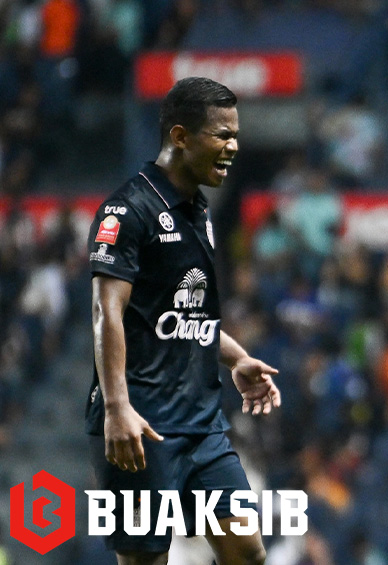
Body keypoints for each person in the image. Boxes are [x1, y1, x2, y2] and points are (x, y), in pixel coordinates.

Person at [86, 77, 281, 565]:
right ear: (180, 136)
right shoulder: (128, 210)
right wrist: (116, 407)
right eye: (222, 135)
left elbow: (185, 317)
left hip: (200, 424)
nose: (234, 147)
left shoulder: (198, 210)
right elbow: (106, 311)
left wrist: (237, 358)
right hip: (141, 425)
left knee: (248, 552)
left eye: (236, 135)